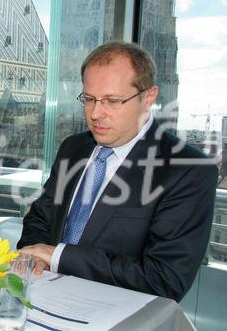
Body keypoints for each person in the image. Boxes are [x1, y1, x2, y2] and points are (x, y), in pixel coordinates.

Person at [18, 41, 218, 301]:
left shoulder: (188, 171)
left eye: (112, 101)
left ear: (148, 98)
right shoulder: (73, 148)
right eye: (88, 99)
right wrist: (36, 258)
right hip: (43, 301)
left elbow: (165, 279)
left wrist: (58, 256)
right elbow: (40, 219)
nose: (96, 113)